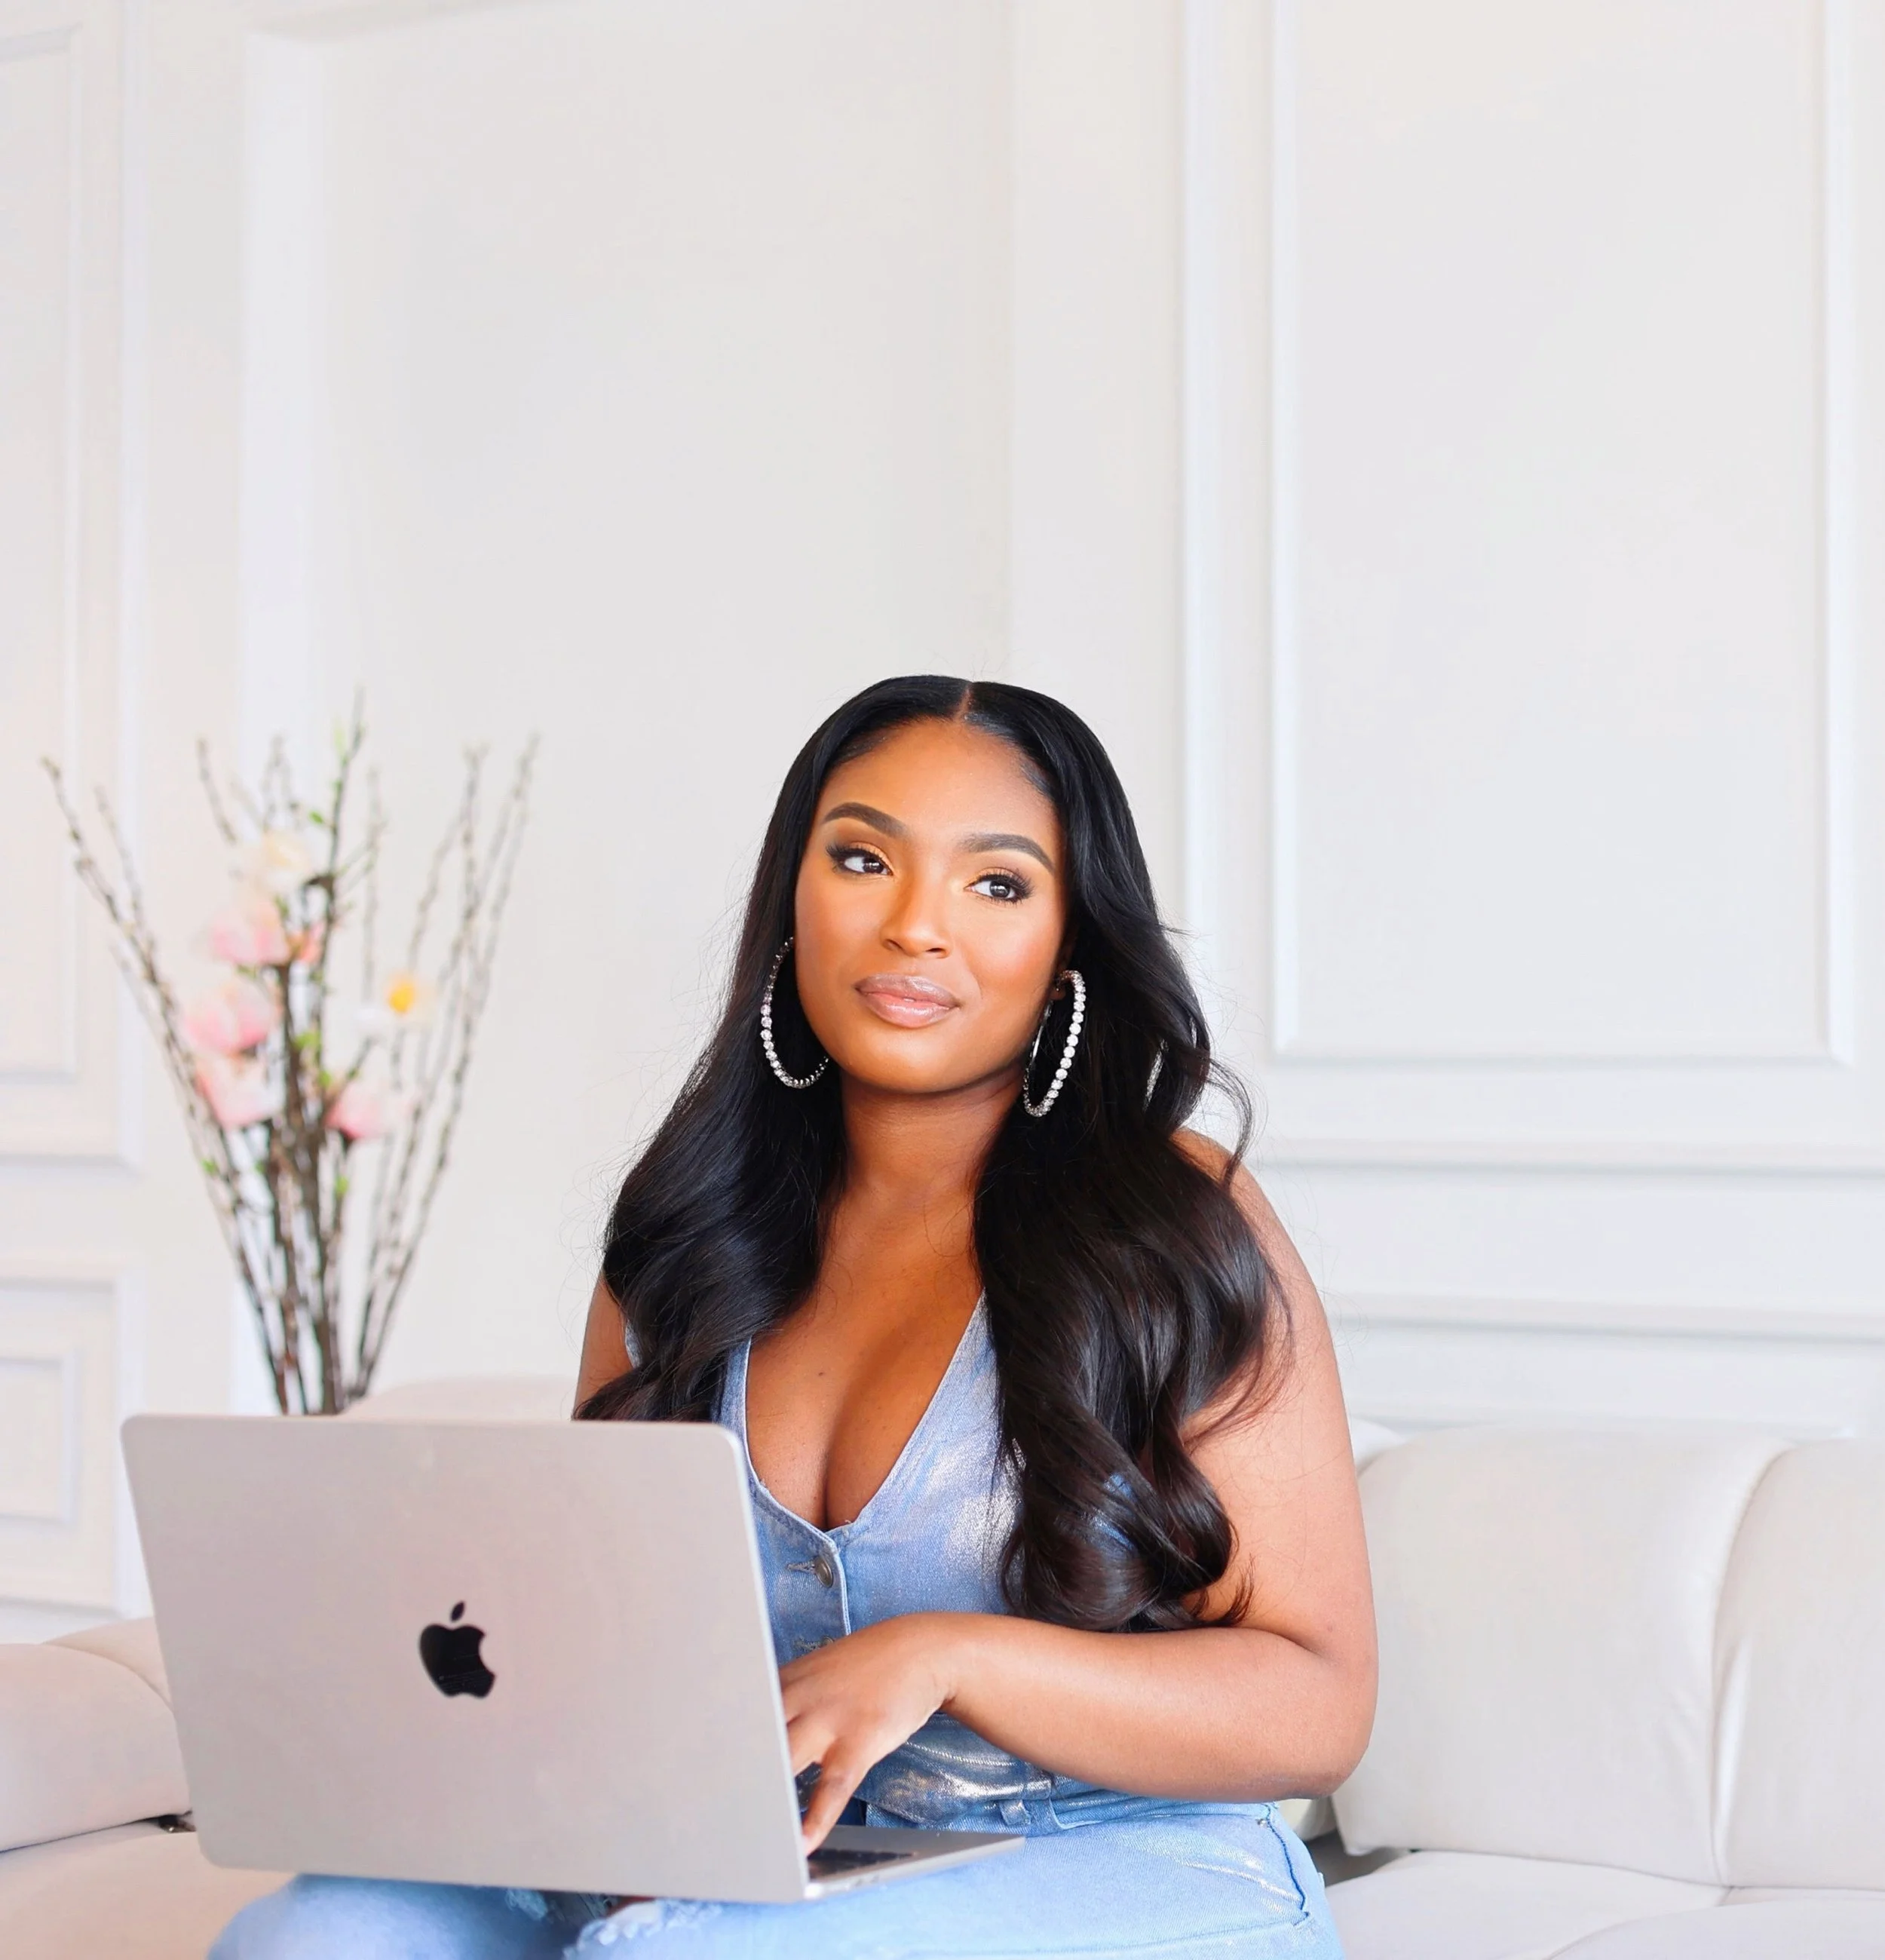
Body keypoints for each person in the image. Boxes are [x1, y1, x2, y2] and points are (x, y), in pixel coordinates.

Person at [214, 676, 1374, 1958]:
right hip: (777, 1856)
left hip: (1126, 1861)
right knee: (320, 1932)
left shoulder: (1173, 1217)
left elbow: (1319, 1701)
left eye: (997, 884)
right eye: (865, 858)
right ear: (795, 899)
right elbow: (594, 1637)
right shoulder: (683, 1235)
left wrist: (955, 1656)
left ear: (1068, 950)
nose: (918, 926)